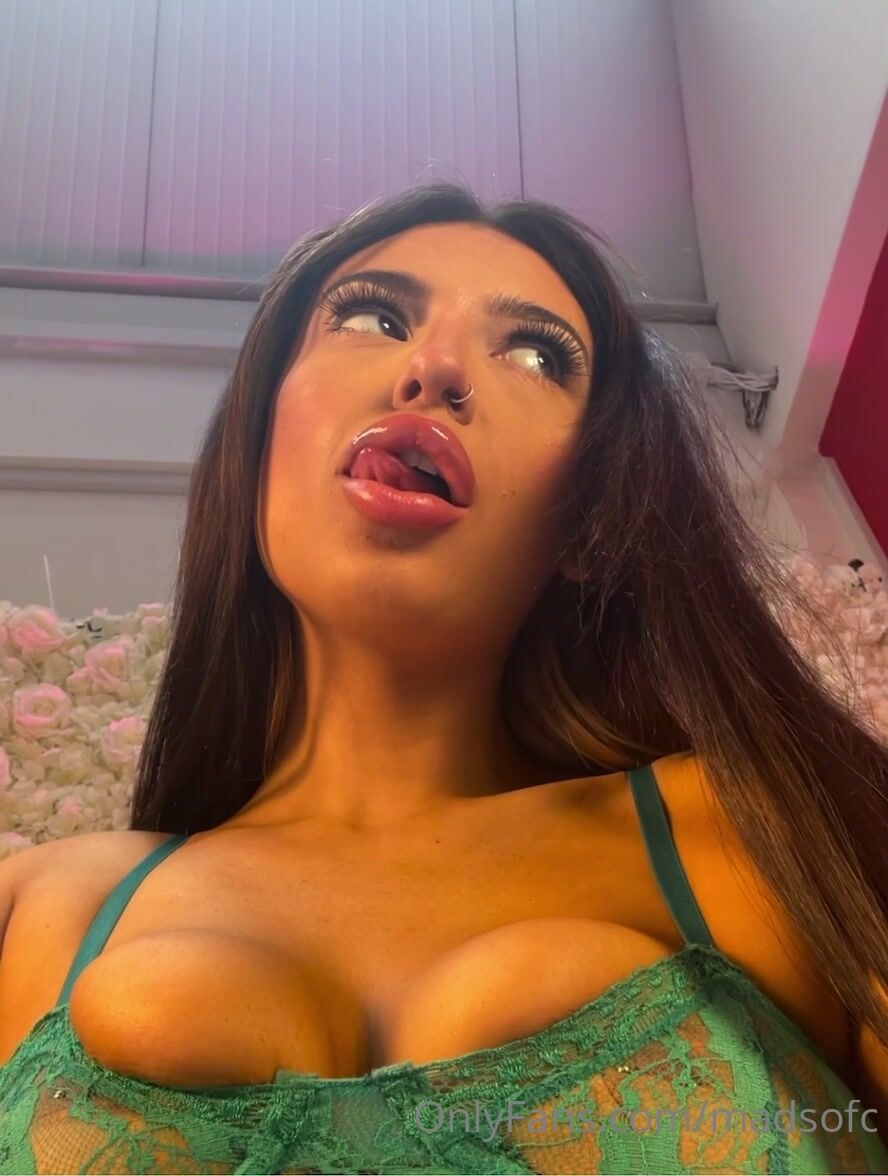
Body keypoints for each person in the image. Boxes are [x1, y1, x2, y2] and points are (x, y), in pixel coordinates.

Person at [0, 182, 886, 1174]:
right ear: (257, 445)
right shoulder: (37, 911)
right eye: (373, 317)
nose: (437, 369)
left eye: (537, 356)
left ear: (590, 526)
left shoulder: (764, 829)